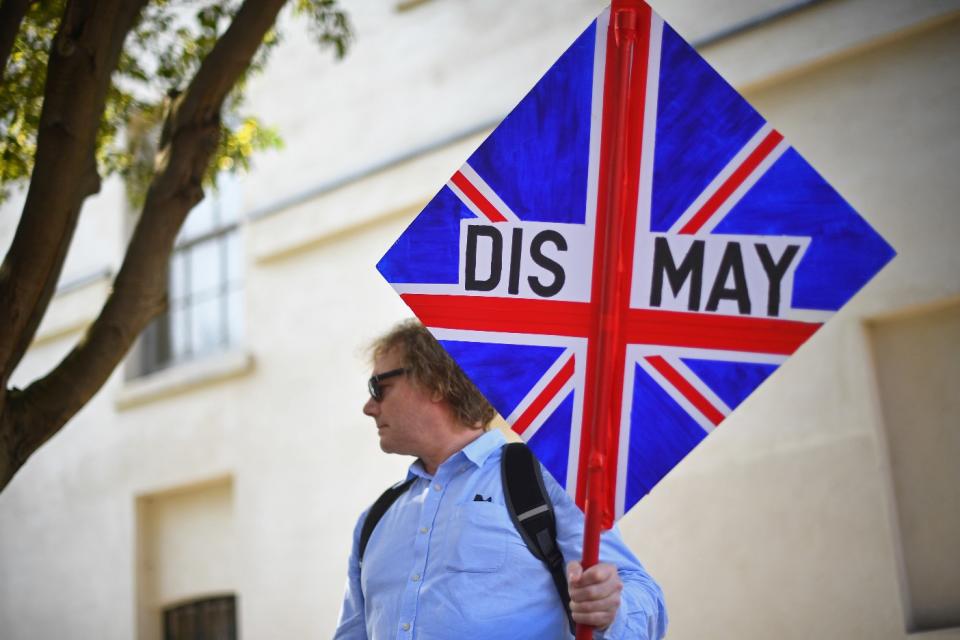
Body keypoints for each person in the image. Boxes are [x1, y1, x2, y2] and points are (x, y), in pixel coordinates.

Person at [334, 320, 667, 639]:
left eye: (379, 387)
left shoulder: (546, 478)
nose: (368, 407)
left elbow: (640, 592)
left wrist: (611, 608)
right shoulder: (376, 518)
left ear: (433, 382)